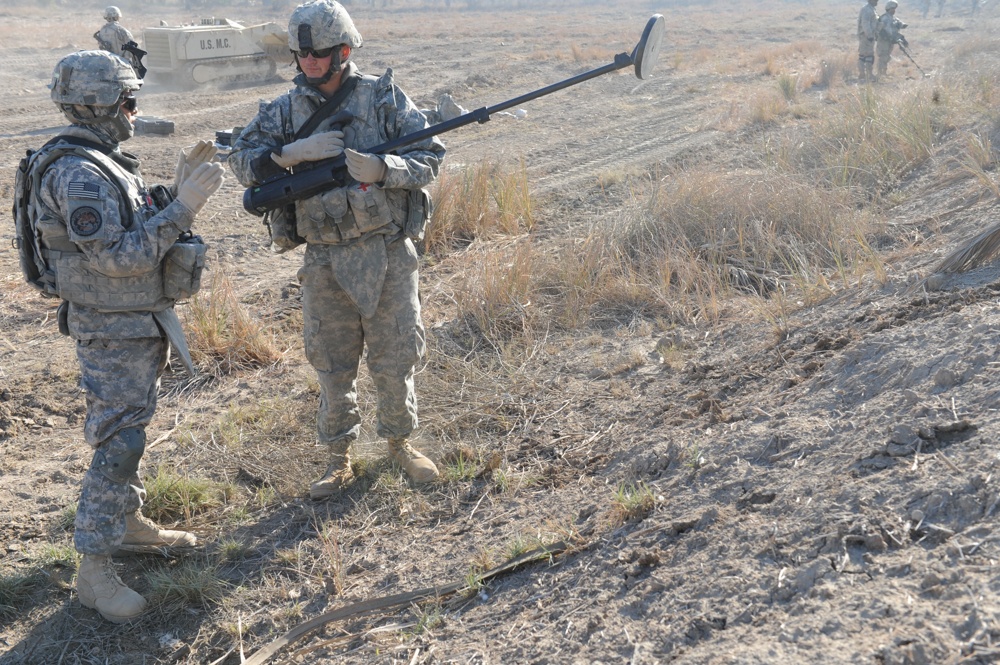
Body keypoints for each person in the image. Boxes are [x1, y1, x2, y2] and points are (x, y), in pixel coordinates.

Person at [23, 50, 225, 623]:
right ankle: (93, 572)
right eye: (128, 102)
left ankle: (129, 525)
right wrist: (184, 207)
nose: (135, 113)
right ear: (99, 105)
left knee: (130, 428)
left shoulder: (100, 161)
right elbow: (118, 257)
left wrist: (167, 195)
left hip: (132, 322)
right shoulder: (77, 172)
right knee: (119, 444)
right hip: (111, 329)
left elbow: (128, 227)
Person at [228, 0, 445, 500]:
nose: (309, 62)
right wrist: (286, 155)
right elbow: (241, 161)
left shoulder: (383, 98)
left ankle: (399, 444)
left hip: (386, 252)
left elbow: (430, 156)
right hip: (324, 258)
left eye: (320, 53)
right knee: (331, 361)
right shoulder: (284, 112)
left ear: (344, 51)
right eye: (302, 54)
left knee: (395, 355)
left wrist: (386, 170)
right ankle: (338, 458)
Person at [94, 6, 141, 72]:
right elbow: (133, 49)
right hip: (122, 65)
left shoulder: (102, 31)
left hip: (107, 63)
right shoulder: (121, 30)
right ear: (117, 16)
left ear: (106, 17)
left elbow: (101, 48)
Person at [877, 0, 909, 79]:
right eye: (893, 9)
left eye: (895, 9)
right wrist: (895, 37)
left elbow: (900, 23)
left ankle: (883, 73)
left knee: (887, 56)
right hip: (884, 41)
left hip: (890, 41)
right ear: (888, 9)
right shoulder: (885, 18)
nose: (894, 10)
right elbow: (888, 31)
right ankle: (880, 74)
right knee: (883, 57)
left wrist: (902, 26)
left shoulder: (893, 17)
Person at [858, 0, 879, 83]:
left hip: (870, 36)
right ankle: (863, 74)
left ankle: (868, 74)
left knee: (869, 56)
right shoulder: (867, 10)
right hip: (866, 36)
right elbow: (865, 23)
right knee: (864, 55)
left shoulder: (872, 9)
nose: (877, 1)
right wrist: (869, 35)